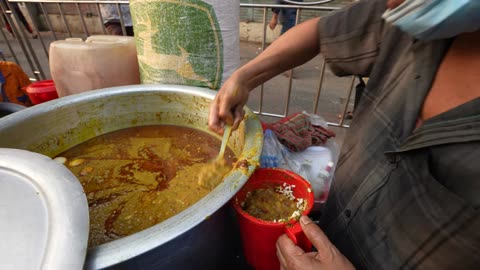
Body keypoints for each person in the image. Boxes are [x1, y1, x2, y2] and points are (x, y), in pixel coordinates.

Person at [209, 0, 480, 269]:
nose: (391, 1)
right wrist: (244, 78)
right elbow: (320, 32)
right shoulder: (408, 14)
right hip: (331, 231)